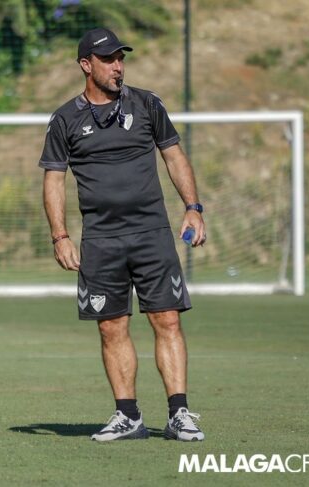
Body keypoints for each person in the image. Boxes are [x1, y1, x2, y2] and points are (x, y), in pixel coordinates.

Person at [39, 28, 206, 442]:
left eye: (121, 58)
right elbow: (54, 180)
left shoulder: (147, 104)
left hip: (152, 234)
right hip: (100, 240)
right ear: (86, 65)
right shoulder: (65, 119)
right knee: (111, 327)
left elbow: (173, 156)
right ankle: (127, 416)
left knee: (166, 319)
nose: (118, 66)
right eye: (109, 59)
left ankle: (179, 414)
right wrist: (60, 236)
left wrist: (193, 208)